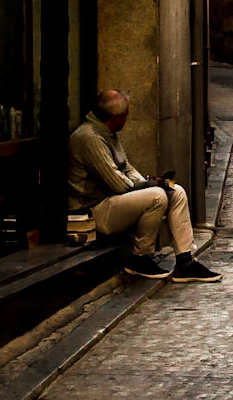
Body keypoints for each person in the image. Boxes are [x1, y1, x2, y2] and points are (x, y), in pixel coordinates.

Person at [67, 88, 220, 283]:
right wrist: (148, 186)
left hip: (112, 201)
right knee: (157, 196)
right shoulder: (90, 138)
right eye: (126, 116)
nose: (127, 119)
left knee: (176, 191)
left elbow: (126, 168)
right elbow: (118, 183)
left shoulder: (108, 132)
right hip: (93, 211)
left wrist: (148, 183)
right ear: (115, 118)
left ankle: (185, 261)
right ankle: (140, 257)